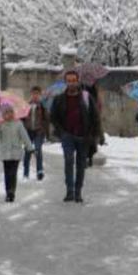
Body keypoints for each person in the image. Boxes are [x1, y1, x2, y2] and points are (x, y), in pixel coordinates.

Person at [49, 70, 100, 203]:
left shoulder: (86, 97)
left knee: (81, 164)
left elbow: (95, 117)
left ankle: (78, 192)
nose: (71, 83)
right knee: (69, 161)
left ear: (78, 81)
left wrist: (94, 135)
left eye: (73, 80)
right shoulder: (59, 98)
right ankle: (69, 191)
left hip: (84, 136)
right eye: (69, 80)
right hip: (67, 136)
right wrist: (61, 132)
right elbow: (53, 117)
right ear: (65, 82)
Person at [0, 105, 32, 203]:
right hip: (5, 153)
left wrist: (29, 147)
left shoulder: (18, 124)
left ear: (13, 113)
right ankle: (8, 191)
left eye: (10, 112)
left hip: (16, 153)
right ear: (3, 115)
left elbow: (24, 136)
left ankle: (12, 192)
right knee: (7, 174)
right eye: (6, 113)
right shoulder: (1, 125)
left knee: (13, 173)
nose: (9, 114)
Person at [23, 86, 49, 181]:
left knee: (38, 150)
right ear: (31, 94)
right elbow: (23, 118)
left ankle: (40, 171)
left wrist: (46, 132)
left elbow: (46, 119)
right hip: (28, 131)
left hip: (39, 131)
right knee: (27, 151)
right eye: (34, 94)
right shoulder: (27, 105)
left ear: (40, 95)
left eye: (37, 94)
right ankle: (26, 172)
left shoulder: (42, 105)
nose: (35, 96)